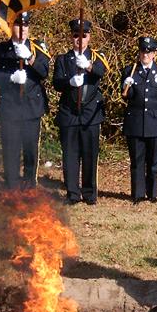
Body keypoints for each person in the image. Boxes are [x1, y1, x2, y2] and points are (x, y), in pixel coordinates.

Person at [0, 12, 50, 190]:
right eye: (18, 25)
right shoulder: (1, 49)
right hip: (10, 107)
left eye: (25, 25)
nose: (22, 29)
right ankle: (12, 187)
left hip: (32, 107)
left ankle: (30, 185)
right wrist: (10, 78)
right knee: (10, 149)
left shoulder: (38, 47)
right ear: (11, 26)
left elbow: (44, 72)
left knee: (30, 150)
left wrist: (30, 58)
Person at [52, 19, 109, 205]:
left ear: (89, 36)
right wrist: (69, 82)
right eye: (76, 35)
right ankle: (72, 194)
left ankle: (90, 194)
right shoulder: (63, 59)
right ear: (72, 37)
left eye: (83, 35)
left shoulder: (97, 56)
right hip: (69, 113)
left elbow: (102, 72)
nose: (79, 39)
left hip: (90, 113)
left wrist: (89, 66)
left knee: (90, 155)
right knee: (70, 155)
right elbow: (56, 83)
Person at [121, 36, 157, 204]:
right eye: (142, 51)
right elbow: (126, 97)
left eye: (148, 52)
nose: (145, 54)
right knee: (137, 160)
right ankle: (137, 194)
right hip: (136, 122)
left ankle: (152, 194)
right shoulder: (130, 71)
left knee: (154, 161)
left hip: (156, 123)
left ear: (154, 54)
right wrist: (125, 86)